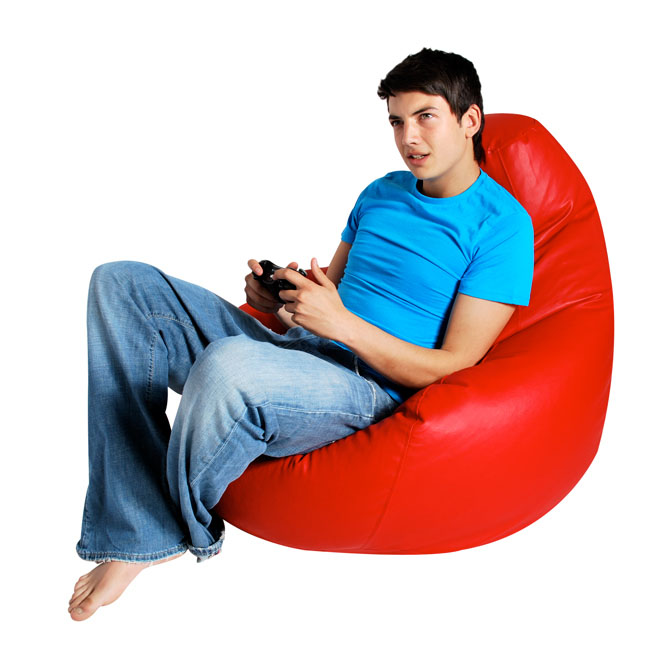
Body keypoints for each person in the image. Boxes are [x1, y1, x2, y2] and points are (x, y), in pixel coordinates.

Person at [68, 48, 534, 621]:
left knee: (228, 365)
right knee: (120, 283)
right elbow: (331, 291)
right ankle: (139, 514)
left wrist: (341, 325)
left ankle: (149, 534)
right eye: (396, 121)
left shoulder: (503, 228)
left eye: (425, 117)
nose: (408, 137)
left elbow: (457, 366)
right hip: (299, 349)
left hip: (369, 387)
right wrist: (282, 301)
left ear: (470, 120)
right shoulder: (381, 192)